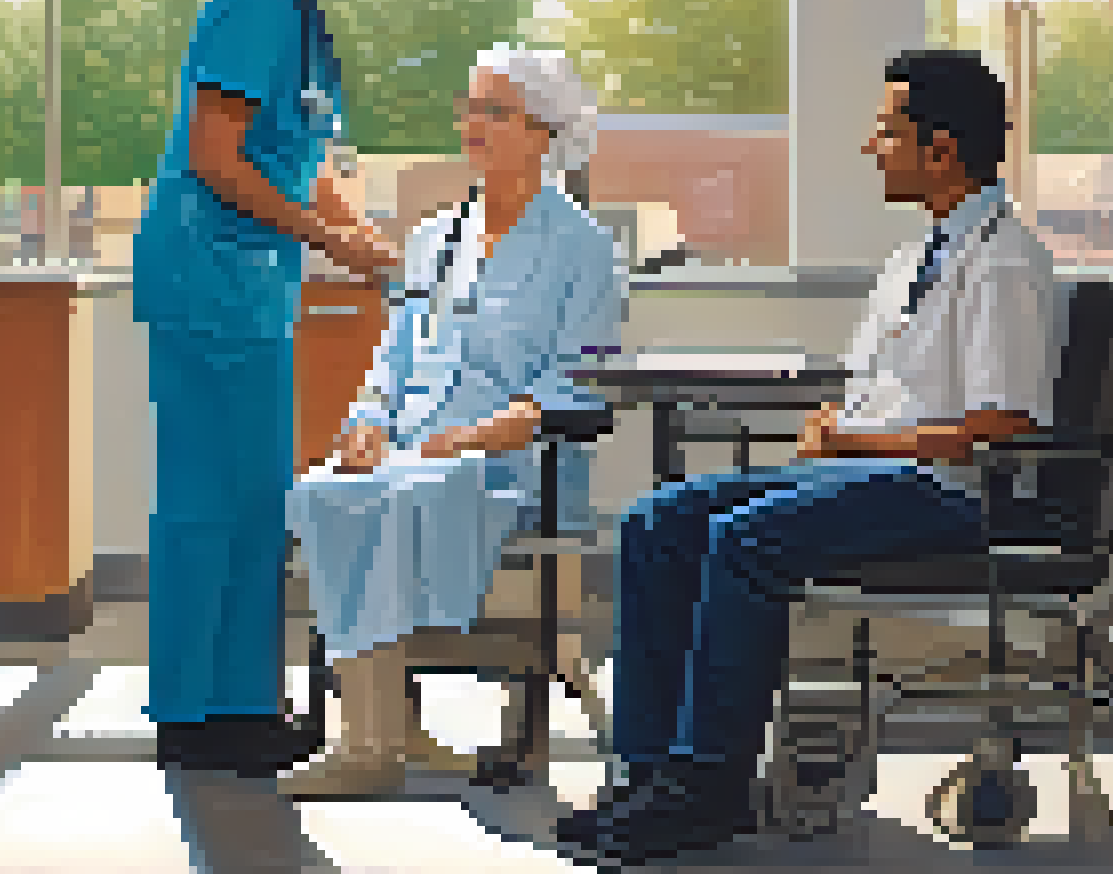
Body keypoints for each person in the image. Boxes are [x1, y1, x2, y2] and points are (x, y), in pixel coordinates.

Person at [555, 50, 1061, 862]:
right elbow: (888, 388)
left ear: (942, 150)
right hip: (871, 471)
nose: (872, 148)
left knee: (742, 540)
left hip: (949, 491)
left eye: (888, 131)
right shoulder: (914, 258)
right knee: (657, 520)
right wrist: (841, 422)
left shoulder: (1002, 265)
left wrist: (853, 438)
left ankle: (707, 786)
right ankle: (646, 775)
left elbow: (999, 426)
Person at [282, 47, 623, 798]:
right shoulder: (435, 239)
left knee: (396, 494)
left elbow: (582, 380)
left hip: (518, 462)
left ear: (544, 133)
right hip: (417, 451)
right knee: (321, 489)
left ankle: (368, 746)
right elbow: (390, 357)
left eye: (495, 111)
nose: (474, 124)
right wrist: (368, 423)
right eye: (471, 108)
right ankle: (387, 727)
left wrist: (481, 433)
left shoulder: (585, 251)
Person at [133, 0, 405, 777]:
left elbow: (300, 153)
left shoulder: (297, 11)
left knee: (253, 495)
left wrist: (362, 235)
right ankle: (196, 712)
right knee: (214, 496)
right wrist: (333, 241)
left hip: (248, 281)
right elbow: (216, 154)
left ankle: (238, 700)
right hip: (208, 274)